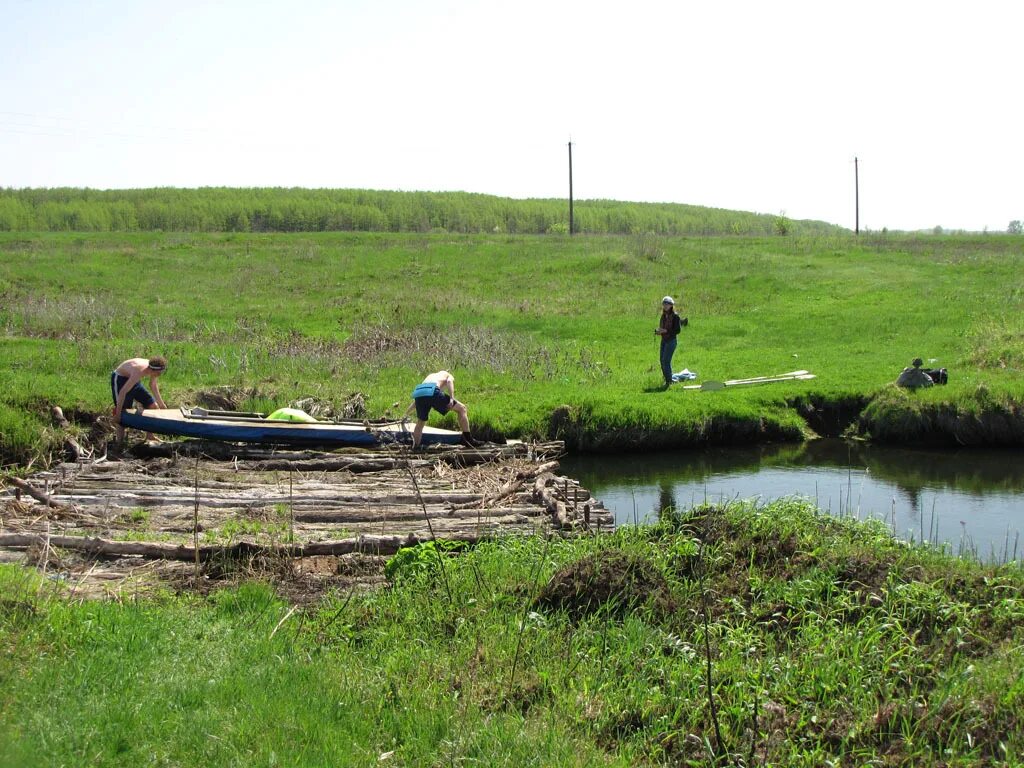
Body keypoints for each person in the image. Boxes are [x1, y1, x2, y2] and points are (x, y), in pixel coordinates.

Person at [402, 370, 479, 448]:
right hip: (433, 391)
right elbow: (449, 381)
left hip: (418, 393)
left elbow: (417, 401)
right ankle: (468, 440)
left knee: (420, 423)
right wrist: (452, 398)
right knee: (462, 408)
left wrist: (405, 414)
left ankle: (415, 447)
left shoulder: (430, 376)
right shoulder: (447, 374)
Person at [111, 356, 168, 441]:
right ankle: (119, 443)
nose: (160, 374)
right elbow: (123, 392)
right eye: (159, 373)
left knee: (153, 407)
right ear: (153, 370)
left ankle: (150, 436)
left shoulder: (153, 367)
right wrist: (118, 414)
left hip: (134, 380)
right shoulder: (138, 371)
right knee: (123, 412)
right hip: (120, 380)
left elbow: (153, 385)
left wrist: (161, 404)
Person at [654, 296, 682, 387]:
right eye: (664, 304)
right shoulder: (663, 316)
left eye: (667, 304)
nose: (665, 305)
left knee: (666, 361)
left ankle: (669, 382)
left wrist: (665, 331)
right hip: (664, 340)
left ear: (671, 305)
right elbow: (663, 327)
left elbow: (677, 330)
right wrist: (659, 331)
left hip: (671, 341)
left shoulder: (675, 316)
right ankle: (667, 378)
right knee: (662, 361)